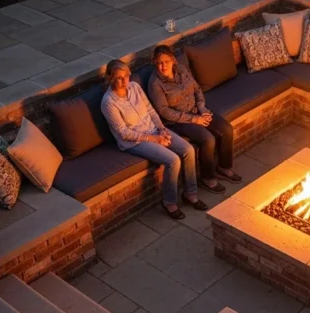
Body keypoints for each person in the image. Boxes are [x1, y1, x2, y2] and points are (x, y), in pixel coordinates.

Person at [100, 59, 207, 220]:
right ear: (110, 78)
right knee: (173, 160)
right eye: (119, 78)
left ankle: (190, 193)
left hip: (154, 130)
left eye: (126, 76)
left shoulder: (134, 87)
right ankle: (169, 202)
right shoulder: (108, 102)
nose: (124, 81)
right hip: (134, 141)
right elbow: (123, 133)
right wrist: (155, 139)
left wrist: (162, 129)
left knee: (188, 150)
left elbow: (150, 110)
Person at [146, 45, 241, 194]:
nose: (163, 66)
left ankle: (224, 167)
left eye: (166, 61)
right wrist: (194, 119)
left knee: (226, 129)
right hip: (178, 121)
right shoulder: (155, 84)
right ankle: (207, 178)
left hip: (197, 110)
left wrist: (202, 107)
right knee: (208, 139)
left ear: (173, 60)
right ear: (154, 63)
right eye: (159, 62)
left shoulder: (182, 69)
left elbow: (196, 89)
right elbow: (164, 112)